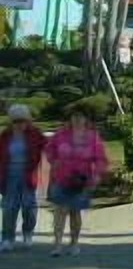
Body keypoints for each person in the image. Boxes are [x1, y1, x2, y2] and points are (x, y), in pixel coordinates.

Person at [45, 109, 108, 257]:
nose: (77, 119)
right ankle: (57, 245)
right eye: (74, 116)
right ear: (70, 118)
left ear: (86, 119)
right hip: (61, 178)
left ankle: (74, 244)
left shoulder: (92, 137)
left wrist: (97, 175)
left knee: (75, 212)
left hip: (81, 181)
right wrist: (53, 161)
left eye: (80, 116)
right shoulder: (60, 135)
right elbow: (49, 149)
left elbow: (101, 159)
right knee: (59, 211)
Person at [0, 104, 46, 252]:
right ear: (11, 121)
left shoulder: (35, 134)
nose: (19, 124)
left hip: (28, 175)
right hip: (9, 176)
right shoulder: (5, 135)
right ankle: (7, 238)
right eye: (16, 121)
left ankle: (28, 233)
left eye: (22, 121)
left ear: (27, 120)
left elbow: (50, 147)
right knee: (9, 208)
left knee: (29, 206)